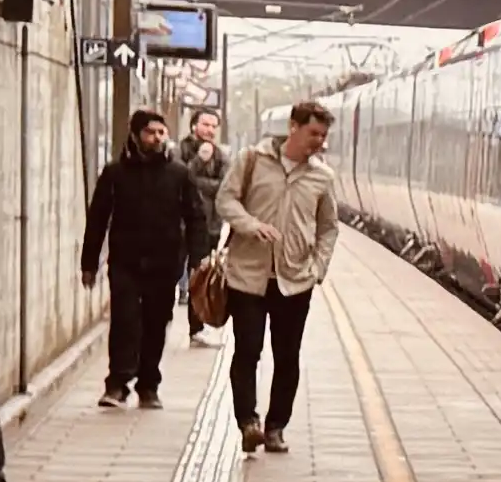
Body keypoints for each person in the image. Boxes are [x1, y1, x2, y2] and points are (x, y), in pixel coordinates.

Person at [217, 102, 339, 455]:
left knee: (287, 357)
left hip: (295, 280)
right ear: (294, 127)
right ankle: (248, 423)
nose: (319, 141)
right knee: (247, 351)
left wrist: (318, 267)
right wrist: (250, 225)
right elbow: (226, 200)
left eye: (323, 135)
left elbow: (329, 227)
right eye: (314, 133)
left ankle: (276, 427)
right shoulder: (252, 160)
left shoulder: (322, 176)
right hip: (248, 277)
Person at [82, 106, 206, 408]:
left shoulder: (179, 173)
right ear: (136, 135)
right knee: (124, 321)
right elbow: (97, 218)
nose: (156, 138)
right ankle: (117, 383)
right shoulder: (114, 173)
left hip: (165, 264)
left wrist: (197, 261)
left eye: (161, 132)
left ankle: (149, 384)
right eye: (150, 132)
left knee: (155, 323)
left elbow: (196, 217)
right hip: (125, 261)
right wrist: (89, 263)